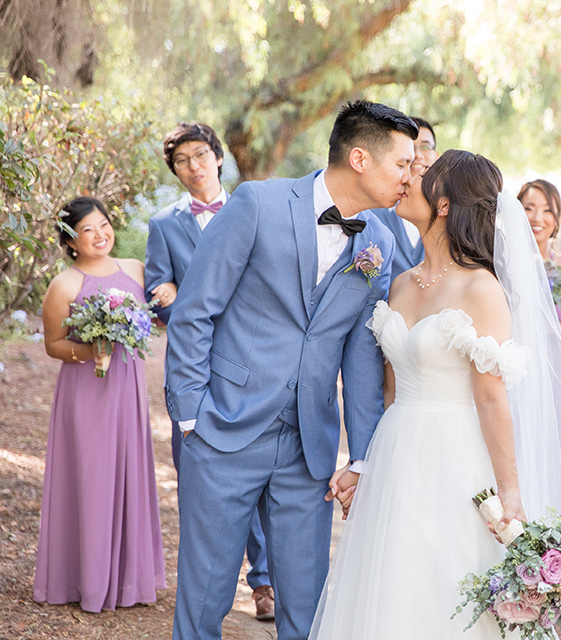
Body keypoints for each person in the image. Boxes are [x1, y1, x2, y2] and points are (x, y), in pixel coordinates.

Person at [165, 100, 416, 640]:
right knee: (204, 604)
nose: (409, 177)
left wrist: (364, 455)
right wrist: (191, 418)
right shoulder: (259, 203)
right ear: (359, 158)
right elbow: (194, 311)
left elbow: (362, 358)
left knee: (306, 610)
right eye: (402, 164)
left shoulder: (380, 241)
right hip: (223, 431)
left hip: (309, 450)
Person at [309, 150, 561, 639]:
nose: (409, 178)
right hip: (395, 453)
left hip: (454, 460)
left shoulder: (481, 288)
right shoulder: (401, 283)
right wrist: (364, 463)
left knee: (443, 585)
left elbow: (492, 399)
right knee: (388, 582)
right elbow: (388, 392)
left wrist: (511, 492)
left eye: (423, 175)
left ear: (447, 203)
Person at [144, 121, 276, 621]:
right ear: (176, 171)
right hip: (194, 372)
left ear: (219, 158)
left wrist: (190, 295)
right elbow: (159, 297)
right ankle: (204, 597)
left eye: (201, 155)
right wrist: (172, 298)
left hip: (249, 366)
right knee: (201, 479)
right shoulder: (164, 225)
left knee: (260, 475)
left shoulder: (257, 209)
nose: (194, 166)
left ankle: (263, 583)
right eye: (183, 160)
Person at [34, 196, 166, 612]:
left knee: (127, 471)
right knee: (89, 477)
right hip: (85, 394)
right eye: (88, 229)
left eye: (104, 224)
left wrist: (168, 295)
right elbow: (54, 345)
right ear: (72, 240)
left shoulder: (134, 269)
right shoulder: (64, 285)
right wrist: (90, 351)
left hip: (126, 391)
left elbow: (157, 316)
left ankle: (128, 581)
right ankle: (86, 582)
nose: (100, 235)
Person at [518, 179, 561, 348]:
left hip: (549, 370)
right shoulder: (500, 265)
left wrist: (546, 325)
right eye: (528, 208)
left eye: (547, 210)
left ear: (556, 218)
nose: (537, 218)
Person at [368, 116, 437, 274]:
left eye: (426, 147)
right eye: (412, 147)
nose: (418, 155)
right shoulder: (372, 211)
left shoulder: (450, 214)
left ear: (436, 155)